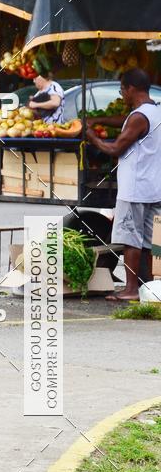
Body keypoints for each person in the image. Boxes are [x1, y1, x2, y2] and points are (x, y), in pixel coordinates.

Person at [85, 68, 161, 301]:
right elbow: (126, 121)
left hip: (135, 188)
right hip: (153, 187)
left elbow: (116, 148)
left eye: (122, 90)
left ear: (130, 88)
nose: (121, 95)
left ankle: (130, 290)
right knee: (150, 242)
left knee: (131, 239)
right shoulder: (154, 110)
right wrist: (98, 120)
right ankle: (148, 286)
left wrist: (92, 137)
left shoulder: (138, 117)